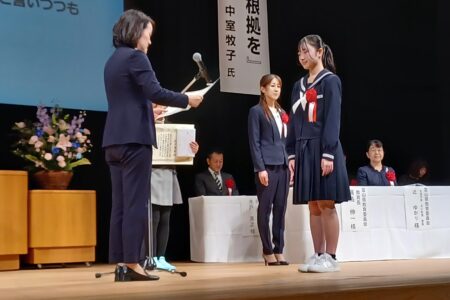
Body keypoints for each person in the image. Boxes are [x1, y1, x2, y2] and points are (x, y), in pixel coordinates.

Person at [102, 9, 203, 282]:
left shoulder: (112, 61)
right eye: (148, 34)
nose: (150, 41)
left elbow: (132, 99)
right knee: (136, 204)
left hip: (113, 139)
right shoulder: (137, 57)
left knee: (121, 204)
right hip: (135, 140)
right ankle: (133, 263)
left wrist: (150, 111)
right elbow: (154, 91)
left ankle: (122, 263)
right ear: (137, 31)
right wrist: (187, 99)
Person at [286, 34, 350, 273]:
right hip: (303, 149)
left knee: (326, 203)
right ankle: (318, 254)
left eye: (306, 51)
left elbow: (333, 119)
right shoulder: (298, 86)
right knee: (312, 205)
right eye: (299, 53)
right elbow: (294, 121)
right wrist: (291, 153)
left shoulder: (330, 81)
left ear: (320, 52)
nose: (302, 57)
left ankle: (331, 257)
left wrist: (329, 153)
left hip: (323, 148)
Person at [142, 105, 200, 272]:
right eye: (156, 106)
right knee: (153, 218)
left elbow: (182, 153)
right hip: (151, 174)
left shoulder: (172, 127)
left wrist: (192, 150)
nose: (160, 109)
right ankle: (149, 257)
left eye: (162, 106)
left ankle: (161, 257)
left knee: (166, 217)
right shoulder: (143, 124)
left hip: (169, 174)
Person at [248, 74, 290, 266]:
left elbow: (286, 141)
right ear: (262, 89)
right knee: (265, 209)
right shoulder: (256, 112)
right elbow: (254, 142)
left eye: (279, 86)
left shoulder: (281, 112)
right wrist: (260, 168)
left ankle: (279, 249)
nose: (276, 89)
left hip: (282, 165)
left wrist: (290, 161)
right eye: (272, 85)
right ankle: (267, 250)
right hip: (267, 167)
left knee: (281, 209)